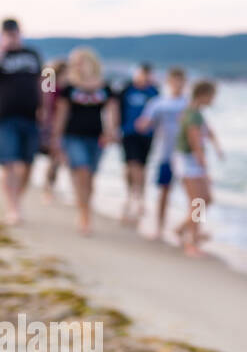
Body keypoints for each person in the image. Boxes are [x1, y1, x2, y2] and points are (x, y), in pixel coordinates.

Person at [51, 46, 119, 235]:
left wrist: (112, 132)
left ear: (91, 61)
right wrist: (56, 139)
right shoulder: (69, 88)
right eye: (75, 63)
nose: (77, 66)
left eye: (81, 61)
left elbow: (112, 111)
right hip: (72, 136)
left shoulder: (105, 87)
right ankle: (84, 215)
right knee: (81, 170)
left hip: (96, 137)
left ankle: (85, 207)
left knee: (90, 178)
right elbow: (61, 114)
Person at [134, 66, 188, 240]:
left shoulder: (189, 103)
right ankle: (159, 227)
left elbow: (202, 127)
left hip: (188, 157)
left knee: (197, 197)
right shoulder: (158, 103)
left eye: (181, 81)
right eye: (174, 81)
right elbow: (144, 124)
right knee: (164, 192)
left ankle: (191, 227)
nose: (177, 84)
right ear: (168, 82)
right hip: (165, 154)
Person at [0, 18, 44, 225]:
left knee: (28, 163)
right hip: (5, 117)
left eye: (14, 33)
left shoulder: (32, 54)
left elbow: (46, 79)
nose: (12, 37)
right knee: (10, 162)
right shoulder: (2, 56)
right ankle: (13, 207)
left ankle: (18, 198)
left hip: (31, 116)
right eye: (8, 33)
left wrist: (47, 107)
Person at [173, 80, 222, 257]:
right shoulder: (192, 115)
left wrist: (216, 146)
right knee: (198, 202)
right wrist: (205, 169)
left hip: (191, 161)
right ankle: (191, 241)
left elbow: (207, 131)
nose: (214, 100)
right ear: (203, 95)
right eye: (212, 96)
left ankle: (183, 229)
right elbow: (195, 144)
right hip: (189, 162)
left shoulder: (194, 112)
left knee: (205, 199)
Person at [116, 62, 159, 226]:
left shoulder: (154, 91)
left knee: (141, 167)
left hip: (147, 135)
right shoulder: (127, 89)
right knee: (130, 166)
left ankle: (139, 198)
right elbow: (116, 108)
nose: (145, 77)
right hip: (128, 133)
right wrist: (115, 129)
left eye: (148, 75)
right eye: (142, 74)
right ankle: (131, 195)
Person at [38, 58, 67, 203]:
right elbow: (45, 104)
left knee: (55, 160)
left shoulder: (67, 88)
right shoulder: (50, 85)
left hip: (62, 126)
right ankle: (48, 188)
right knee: (53, 158)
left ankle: (49, 188)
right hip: (49, 126)